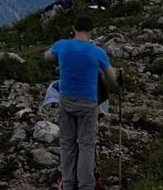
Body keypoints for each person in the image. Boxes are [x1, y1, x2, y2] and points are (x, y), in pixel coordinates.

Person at [44, 16, 118, 190]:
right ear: (91, 31)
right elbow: (112, 77)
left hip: (66, 99)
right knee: (86, 145)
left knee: (67, 143)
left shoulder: (62, 45)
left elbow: (47, 56)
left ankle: (68, 184)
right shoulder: (97, 52)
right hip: (88, 101)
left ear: (74, 28)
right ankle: (85, 185)